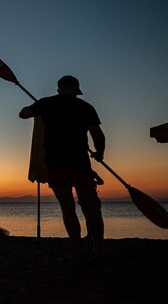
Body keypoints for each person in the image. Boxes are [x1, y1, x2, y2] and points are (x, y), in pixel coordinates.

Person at [19, 75, 106, 260]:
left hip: (56, 162)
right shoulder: (86, 107)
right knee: (91, 208)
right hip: (80, 163)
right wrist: (100, 153)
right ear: (76, 89)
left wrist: (34, 109)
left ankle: (78, 250)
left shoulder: (46, 104)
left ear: (59, 89)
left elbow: (23, 114)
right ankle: (98, 250)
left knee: (68, 208)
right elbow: (98, 135)